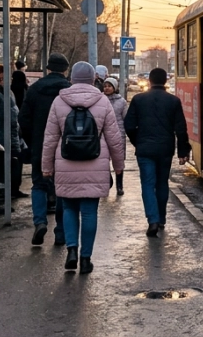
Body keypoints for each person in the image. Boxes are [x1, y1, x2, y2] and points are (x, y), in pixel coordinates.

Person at [41, 62, 125, 275]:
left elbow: (50, 139)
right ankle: (86, 259)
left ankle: (71, 251)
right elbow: (114, 138)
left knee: (69, 208)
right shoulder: (103, 101)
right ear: (92, 79)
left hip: (65, 163)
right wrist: (118, 166)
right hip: (95, 163)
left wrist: (46, 167)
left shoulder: (59, 101)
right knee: (89, 212)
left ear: (72, 79)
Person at [124, 67, 189, 237]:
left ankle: (152, 220)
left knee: (147, 183)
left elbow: (129, 125)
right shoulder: (173, 101)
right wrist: (183, 150)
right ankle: (161, 218)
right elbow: (181, 128)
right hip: (165, 148)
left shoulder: (138, 100)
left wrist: (137, 141)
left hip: (145, 149)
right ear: (165, 81)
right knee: (162, 183)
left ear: (150, 81)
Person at [19, 53, 71, 246]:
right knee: (62, 189)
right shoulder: (69, 90)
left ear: (48, 68)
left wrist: (32, 141)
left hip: (40, 145)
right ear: (65, 70)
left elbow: (23, 119)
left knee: (39, 184)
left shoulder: (35, 89)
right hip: (65, 148)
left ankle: (40, 222)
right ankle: (60, 232)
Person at [0, 64, 25, 200]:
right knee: (3, 163)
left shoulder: (7, 91)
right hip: (1, 134)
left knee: (13, 161)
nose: (10, 78)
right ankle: (4, 192)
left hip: (12, 132)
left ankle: (12, 190)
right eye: (8, 76)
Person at [103, 77, 128, 196]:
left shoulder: (121, 101)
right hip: (103, 135)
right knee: (103, 159)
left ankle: (119, 186)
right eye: (105, 86)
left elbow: (125, 119)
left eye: (109, 86)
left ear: (115, 87)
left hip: (119, 134)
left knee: (119, 161)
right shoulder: (100, 100)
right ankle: (107, 181)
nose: (107, 88)